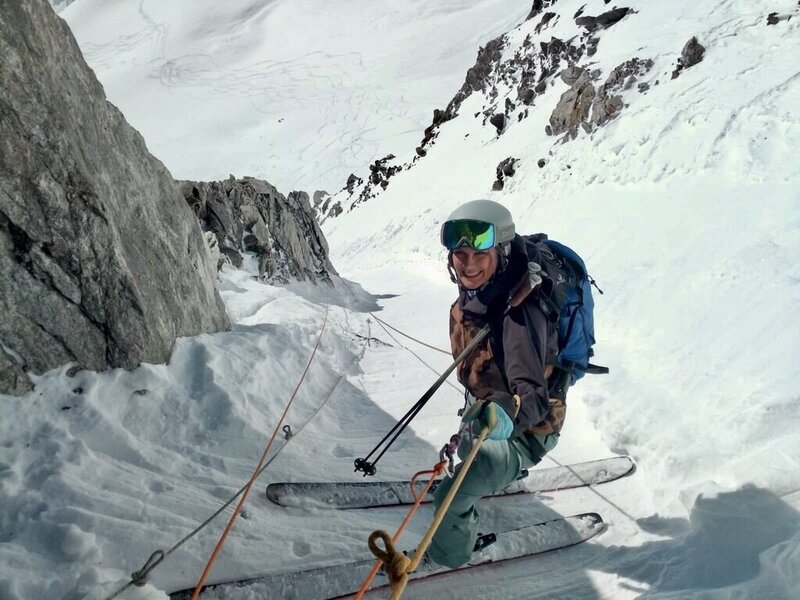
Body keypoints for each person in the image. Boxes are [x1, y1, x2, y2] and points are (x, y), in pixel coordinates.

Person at [426, 199, 571, 569]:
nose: (468, 264)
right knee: (469, 455)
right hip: (492, 413)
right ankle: (492, 471)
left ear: (502, 253)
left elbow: (534, 400)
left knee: (448, 500)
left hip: (529, 431)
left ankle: (450, 553)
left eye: (480, 253)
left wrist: (504, 415)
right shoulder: (478, 298)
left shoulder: (519, 314)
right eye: (460, 253)